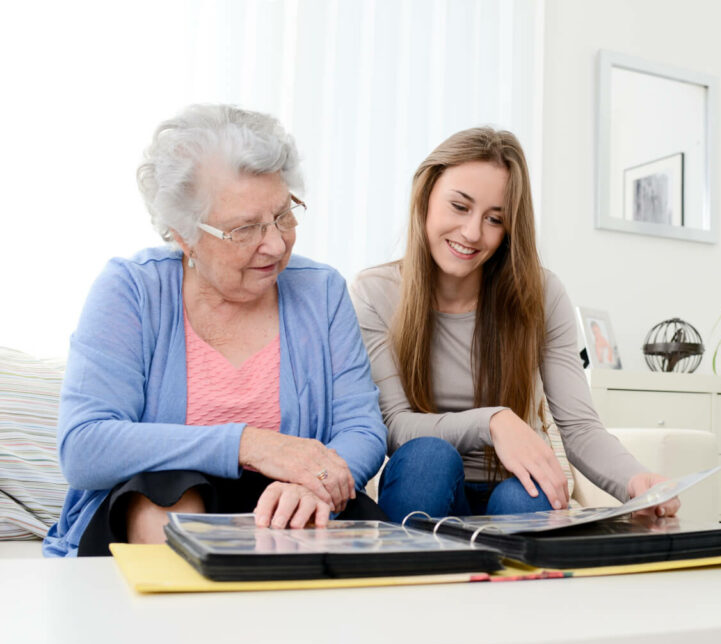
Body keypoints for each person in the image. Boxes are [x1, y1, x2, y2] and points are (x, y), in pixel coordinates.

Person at [43, 105, 388, 558]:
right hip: (162, 512)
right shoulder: (132, 289)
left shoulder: (321, 290)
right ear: (183, 234)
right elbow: (85, 446)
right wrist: (249, 443)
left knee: (341, 526)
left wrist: (319, 484)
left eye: (284, 215)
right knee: (162, 490)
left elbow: (361, 426)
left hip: (287, 507)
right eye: (245, 229)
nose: (276, 242)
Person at [351, 127, 680, 522]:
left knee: (532, 493)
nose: (473, 233)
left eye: (494, 219)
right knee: (427, 458)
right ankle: (411, 580)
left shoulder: (541, 293)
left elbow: (578, 426)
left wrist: (636, 481)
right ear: (425, 198)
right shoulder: (375, 293)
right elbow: (394, 427)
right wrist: (493, 422)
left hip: (514, 486)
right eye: (459, 207)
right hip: (426, 483)